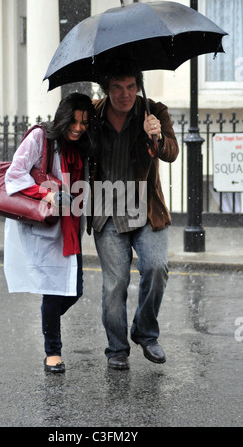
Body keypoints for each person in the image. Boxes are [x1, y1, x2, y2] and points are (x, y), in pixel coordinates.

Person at [89, 59, 179, 370]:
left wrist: (157, 136)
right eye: (117, 87)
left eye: (130, 87)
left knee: (156, 268)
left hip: (146, 207)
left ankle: (145, 332)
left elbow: (171, 153)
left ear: (137, 87)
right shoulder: (93, 114)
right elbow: (71, 140)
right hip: (106, 209)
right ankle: (116, 348)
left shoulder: (154, 112)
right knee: (115, 283)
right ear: (107, 89)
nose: (124, 94)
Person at [4, 92, 96, 374]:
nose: (79, 127)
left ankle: (48, 320)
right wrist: (46, 194)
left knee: (74, 289)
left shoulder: (82, 145)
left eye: (84, 122)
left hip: (70, 224)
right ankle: (52, 352)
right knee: (53, 291)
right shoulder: (40, 137)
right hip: (44, 225)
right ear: (63, 117)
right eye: (74, 121)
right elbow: (15, 174)